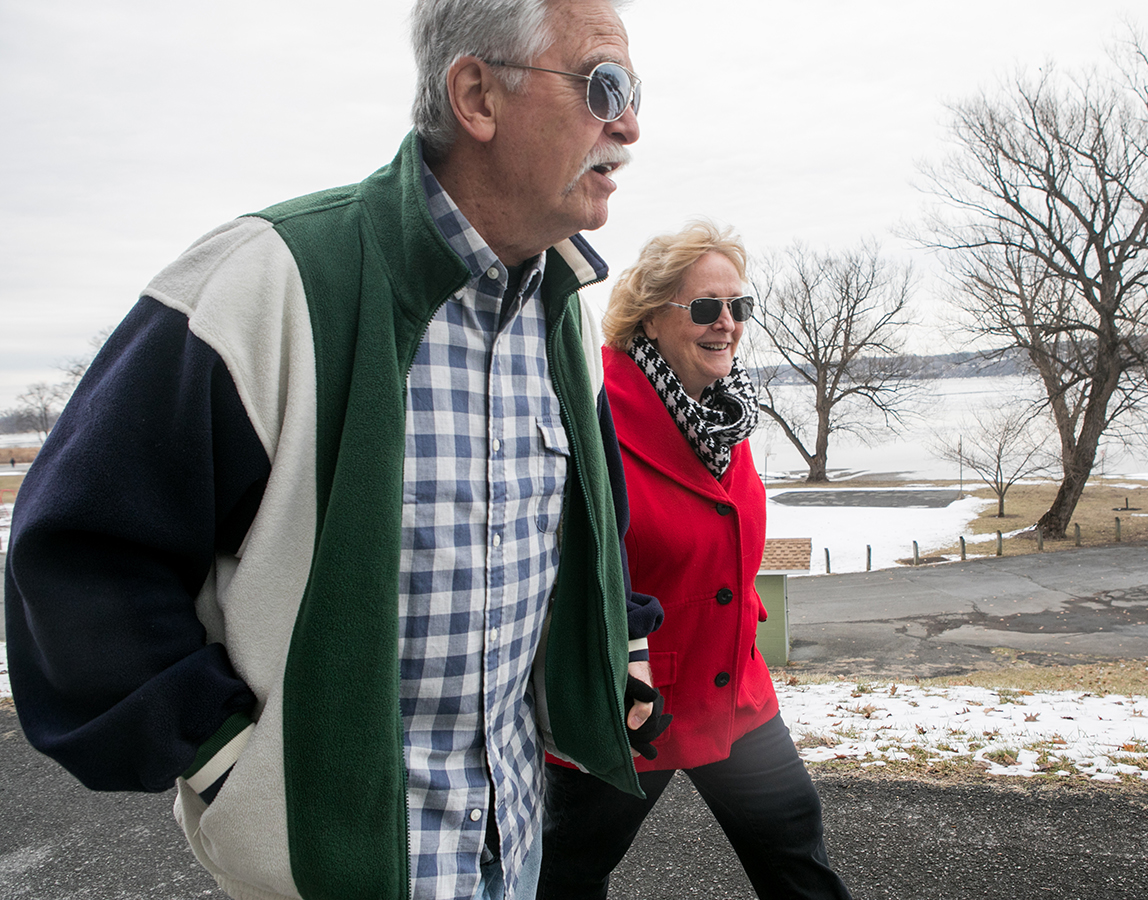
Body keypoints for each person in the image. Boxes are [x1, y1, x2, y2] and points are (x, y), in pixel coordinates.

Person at [2, 2, 665, 899]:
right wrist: (230, 759)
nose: (629, 123)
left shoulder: (557, 311)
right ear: (476, 95)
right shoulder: (267, 279)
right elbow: (75, 555)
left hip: (512, 854)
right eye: (604, 85)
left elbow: (589, 521)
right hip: (326, 873)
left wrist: (616, 642)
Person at [538, 222, 852, 899]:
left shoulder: (722, 415)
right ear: (651, 317)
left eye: (740, 307)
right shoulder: (593, 414)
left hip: (733, 687)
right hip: (635, 704)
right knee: (560, 875)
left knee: (797, 856)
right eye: (706, 308)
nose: (728, 324)